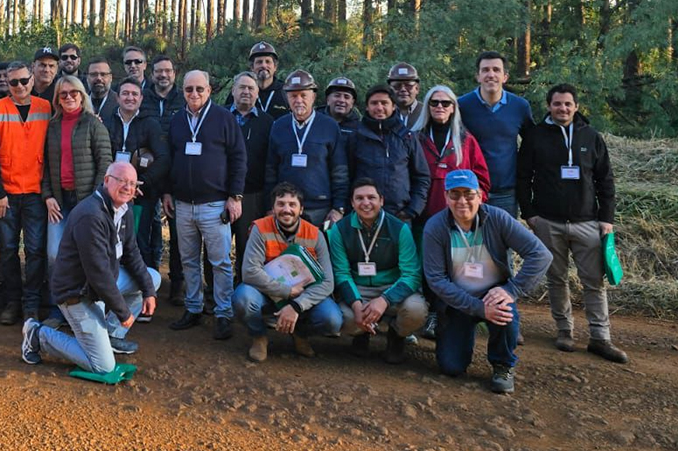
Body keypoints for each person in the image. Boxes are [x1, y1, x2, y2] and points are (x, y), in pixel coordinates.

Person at [517, 83, 628, 364]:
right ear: (549, 106)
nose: (562, 109)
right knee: (556, 279)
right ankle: (564, 331)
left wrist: (607, 219)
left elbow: (606, 181)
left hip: (587, 222)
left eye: (567, 104)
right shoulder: (535, 136)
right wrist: (530, 213)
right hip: (547, 222)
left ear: (576, 106)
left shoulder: (591, 137)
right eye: (557, 104)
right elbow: (522, 177)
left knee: (594, 282)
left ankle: (600, 337)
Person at [21, 162, 159, 372]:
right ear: (106, 181)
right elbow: (98, 274)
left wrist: (149, 291)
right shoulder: (91, 215)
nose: (127, 187)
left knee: (152, 278)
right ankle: (38, 335)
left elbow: (132, 253)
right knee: (103, 366)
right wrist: (124, 313)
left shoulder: (124, 209)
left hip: (99, 285)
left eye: (132, 183)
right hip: (77, 293)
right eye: (122, 181)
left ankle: (110, 336)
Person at [424, 169, 550, 394]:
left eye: (469, 194)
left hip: (494, 294)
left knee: (504, 311)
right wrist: (478, 309)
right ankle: (461, 335)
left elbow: (540, 254)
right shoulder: (435, 227)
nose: (462, 201)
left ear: (480, 195)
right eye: (454, 194)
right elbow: (436, 279)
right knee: (451, 367)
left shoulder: (498, 218)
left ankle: (503, 364)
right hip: (458, 299)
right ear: (445, 197)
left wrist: (512, 289)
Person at [164, 70, 247, 340]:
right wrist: (167, 192)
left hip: (215, 204)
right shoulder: (177, 120)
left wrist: (235, 196)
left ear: (210, 90)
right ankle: (194, 307)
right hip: (183, 205)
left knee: (220, 262)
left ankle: (223, 313)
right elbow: (169, 158)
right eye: (189, 89)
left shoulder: (224, 118)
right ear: (183, 91)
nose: (194, 94)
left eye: (200, 89)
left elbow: (238, 158)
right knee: (188, 260)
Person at [233, 184, 341, 362]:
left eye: (292, 204)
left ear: (301, 209)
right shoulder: (260, 228)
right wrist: (285, 291)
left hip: (303, 295)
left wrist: (296, 305)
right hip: (267, 293)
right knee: (243, 298)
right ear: (273, 208)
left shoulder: (315, 235)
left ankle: (300, 333)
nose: (286, 209)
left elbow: (328, 282)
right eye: (281, 204)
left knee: (332, 319)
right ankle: (259, 336)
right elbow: (250, 272)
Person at [0, 61, 53, 325]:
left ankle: (31, 303)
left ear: (32, 81)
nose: (20, 86)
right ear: (6, 84)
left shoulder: (46, 108)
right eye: (14, 82)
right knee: (9, 249)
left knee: (35, 250)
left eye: (24, 81)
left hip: (35, 194)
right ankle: (12, 301)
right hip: (6, 196)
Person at [331, 179, 429, 363]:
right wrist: (356, 304)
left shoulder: (399, 228)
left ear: (381, 200)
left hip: (392, 287)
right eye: (359, 198)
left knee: (416, 311)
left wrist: (385, 300)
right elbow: (341, 273)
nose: (365, 203)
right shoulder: (340, 229)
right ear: (352, 202)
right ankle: (361, 334)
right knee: (344, 317)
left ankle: (396, 334)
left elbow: (411, 274)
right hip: (359, 288)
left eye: (371, 197)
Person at [101, 78, 170, 280]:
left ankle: (144, 289)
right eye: (125, 93)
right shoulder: (106, 122)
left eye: (134, 94)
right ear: (117, 97)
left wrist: (142, 183)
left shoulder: (150, 125)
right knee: (110, 239)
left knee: (139, 241)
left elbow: (164, 159)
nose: (129, 97)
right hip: (111, 194)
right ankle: (113, 287)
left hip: (141, 194)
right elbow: (101, 155)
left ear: (141, 98)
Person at [43, 76, 114, 269]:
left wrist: (95, 198)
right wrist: (48, 195)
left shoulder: (93, 124)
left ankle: (87, 297)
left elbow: (105, 163)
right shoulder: (52, 126)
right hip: (59, 201)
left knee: (86, 252)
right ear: (57, 99)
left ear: (81, 96)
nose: (69, 97)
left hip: (86, 200)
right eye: (63, 94)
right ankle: (61, 298)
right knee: (54, 253)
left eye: (73, 92)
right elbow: (45, 164)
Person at [264, 70, 347, 227]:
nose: (298, 100)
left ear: (313, 97)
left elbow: (340, 171)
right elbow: (270, 171)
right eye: (293, 96)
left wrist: (338, 208)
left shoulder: (329, 126)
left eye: (303, 95)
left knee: (319, 251)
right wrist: (270, 207)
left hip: (320, 209)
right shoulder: (279, 126)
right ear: (287, 98)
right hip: (286, 208)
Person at [458, 51, 535, 220]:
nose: (490, 74)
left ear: (505, 76)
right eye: (485, 70)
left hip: (506, 192)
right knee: (473, 243)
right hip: (471, 190)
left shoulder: (520, 107)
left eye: (496, 70)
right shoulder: (462, 106)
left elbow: (532, 144)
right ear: (478, 76)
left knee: (503, 243)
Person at [346, 86, 431, 221]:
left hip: (400, 215)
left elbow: (422, 177)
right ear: (367, 107)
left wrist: (413, 210)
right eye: (374, 103)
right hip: (363, 213)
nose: (379, 108)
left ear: (393, 106)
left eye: (384, 103)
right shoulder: (355, 137)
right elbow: (347, 177)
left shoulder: (407, 137)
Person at [411, 85, 491, 226]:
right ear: (428, 107)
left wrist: (472, 206)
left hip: (459, 218)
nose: (439, 106)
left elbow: (482, 180)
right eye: (434, 102)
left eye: (445, 103)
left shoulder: (466, 141)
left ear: (453, 108)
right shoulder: (415, 139)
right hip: (420, 217)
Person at [228, 71, 273, 286]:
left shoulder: (268, 123)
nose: (246, 91)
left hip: (254, 195)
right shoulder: (221, 118)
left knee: (249, 248)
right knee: (218, 248)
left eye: (251, 88)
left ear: (257, 93)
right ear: (233, 91)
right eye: (242, 87)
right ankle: (215, 293)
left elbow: (272, 162)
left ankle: (245, 290)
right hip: (222, 194)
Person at [247, 41, 290, 118]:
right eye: (259, 62)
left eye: (268, 62)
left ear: (275, 67)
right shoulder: (243, 91)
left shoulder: (287, 91)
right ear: (252, 67)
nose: (264, 65)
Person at [140, 55, 184, 121]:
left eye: (168, 71)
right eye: (159, 71)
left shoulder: (184, 99)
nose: (163, 75)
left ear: (174, 74)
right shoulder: (141, 98)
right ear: (152, 74)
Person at [387, 63, 422, 129]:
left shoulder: (427, 112)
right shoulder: (384, 113)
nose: (403, 89)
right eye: (397, 86)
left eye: (408, 85)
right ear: (389, 89)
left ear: (417, 89)